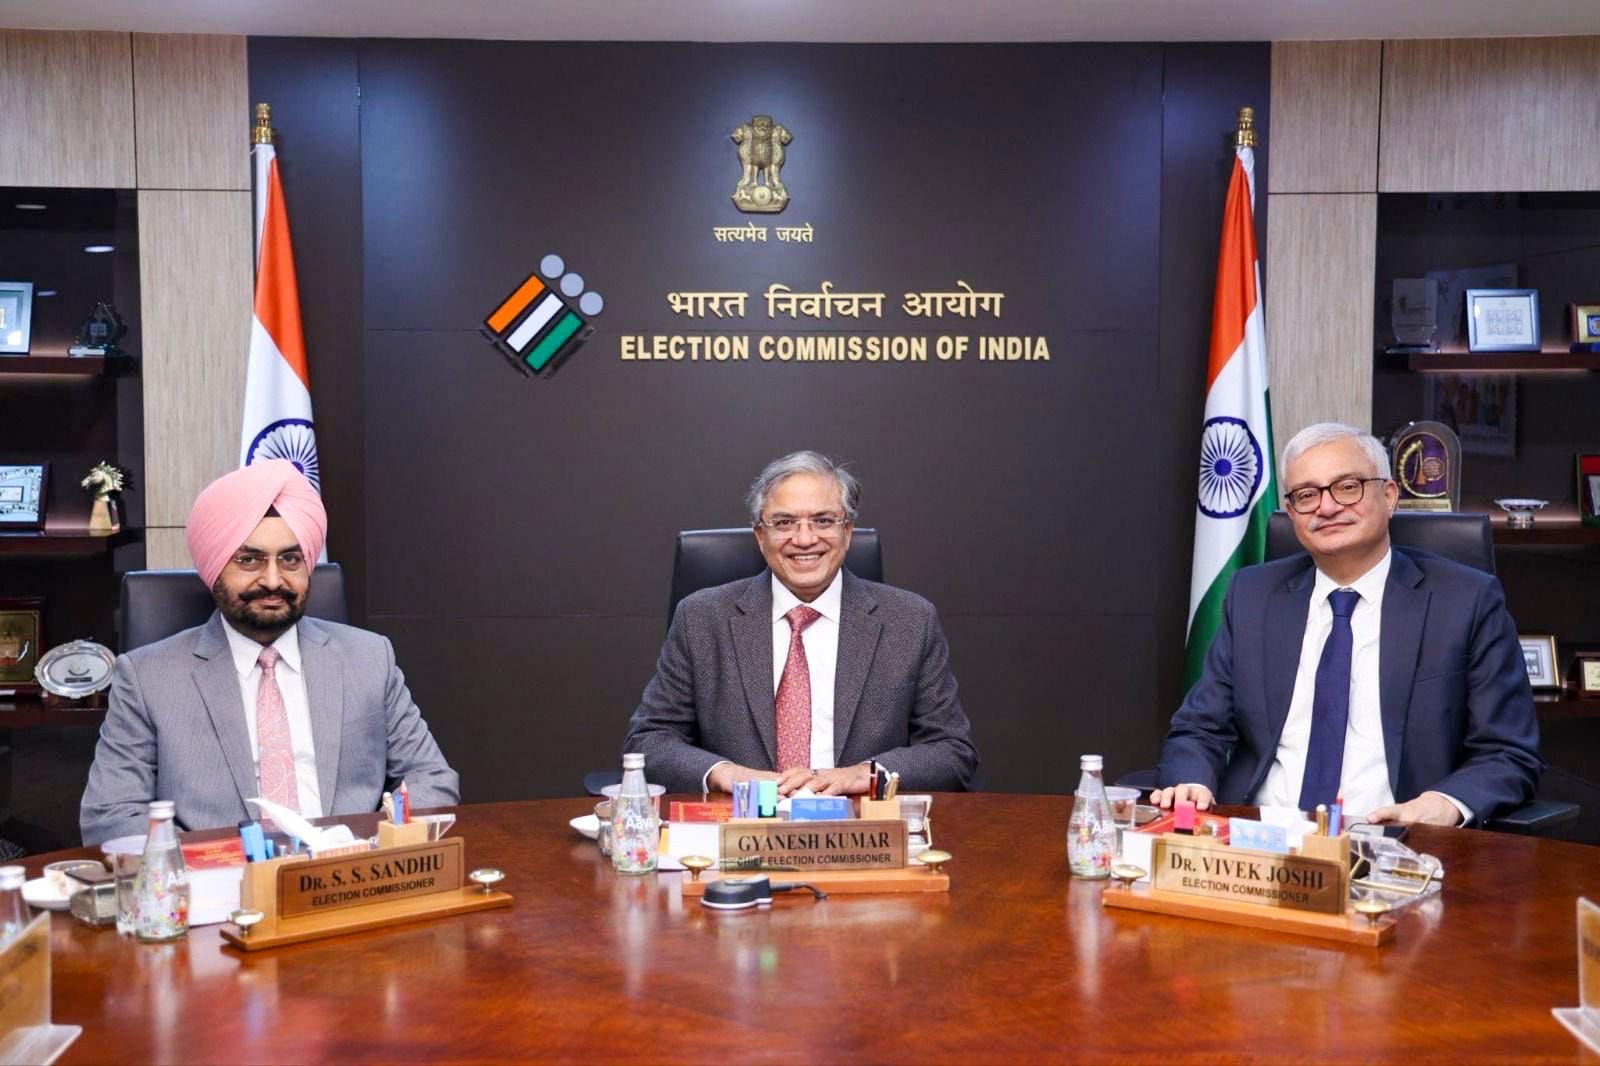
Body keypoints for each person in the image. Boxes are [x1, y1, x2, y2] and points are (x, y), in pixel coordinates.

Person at [1153, 423, 1541, 827]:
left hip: (1393, 841)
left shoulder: (1465, 601)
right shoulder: (1253, 595)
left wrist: (1440, 805)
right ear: (1292, 512)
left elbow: (1507, 752)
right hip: (1258, 837)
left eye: (1347, 487)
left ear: (1388, 496)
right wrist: (1190, 783)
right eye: (1307, 495)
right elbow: (1199, 727)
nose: (1326, 507)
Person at [80, 461, 458, 844]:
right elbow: (110, 816)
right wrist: (214, 862)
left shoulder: (369, 658)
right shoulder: (147, 678)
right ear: (214, 567)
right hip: (219, 877)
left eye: (290, 559)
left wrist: (372, 845)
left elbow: (432, 779)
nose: (274, 580)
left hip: (349, 869)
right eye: (249, 560)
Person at [622, 450, 978, 795]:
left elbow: (952, 751)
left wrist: (865, 775)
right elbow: (649, 742)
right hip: (741, 822)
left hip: (858, 824)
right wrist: (727, 775)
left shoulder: (910, 621)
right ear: (760, 536)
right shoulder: (701, 619)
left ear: (847, 531)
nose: (805, 539)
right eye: (784, 523)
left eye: (823, 521)